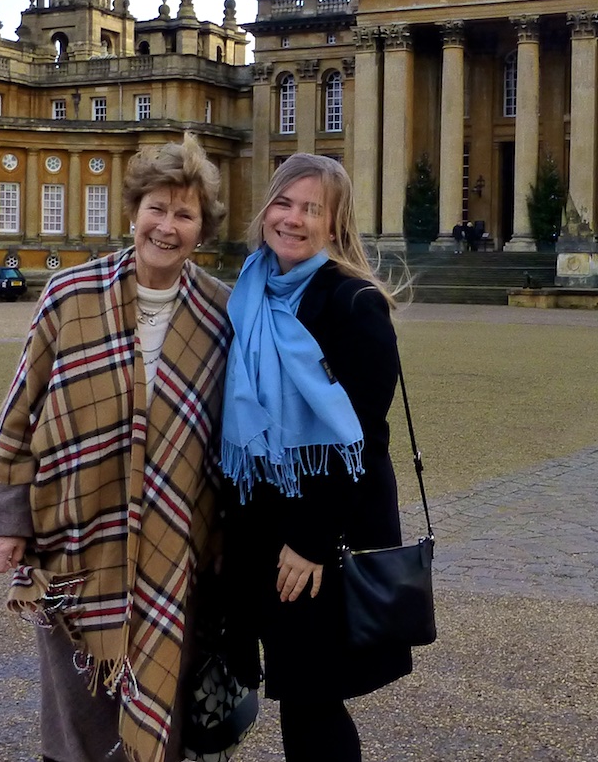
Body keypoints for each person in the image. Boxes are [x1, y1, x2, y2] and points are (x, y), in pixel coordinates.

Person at [0, 134, 234, 762]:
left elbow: (237, 436)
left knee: (161, 698)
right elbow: (21, 409)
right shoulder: (71, 295)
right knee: (77, 706)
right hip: (74, 540)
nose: (166, 227)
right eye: (156, 208)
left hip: (177, 545)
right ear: (134, 210)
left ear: (203, 229)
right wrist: (6, 521)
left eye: (184, 214)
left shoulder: (223, 313)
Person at [223, 153, 413, 762]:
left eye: (312, 209)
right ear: (265, 210)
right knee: (293, 688)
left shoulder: (353, 302)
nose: (294, 219)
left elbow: (361, 439)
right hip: (259, 521)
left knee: (312, 696)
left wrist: (308, 541)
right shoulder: (248, 291)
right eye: (284, 202)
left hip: (318, 535)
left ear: (334, 226)